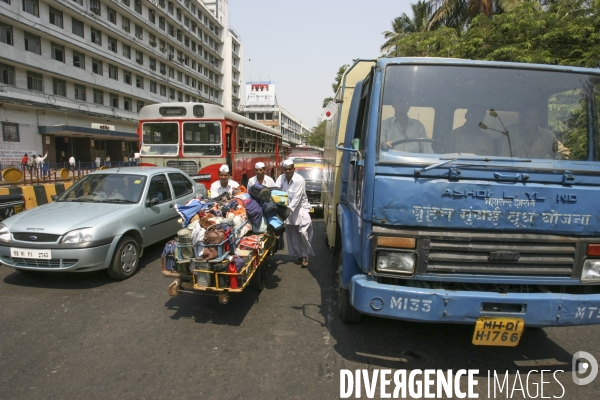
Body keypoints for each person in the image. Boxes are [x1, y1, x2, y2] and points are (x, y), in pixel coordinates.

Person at [275, 159, 314, 268]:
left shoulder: (299, 179)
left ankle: (306, 256)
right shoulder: (281, 178)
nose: (288, 171)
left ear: (293, 169)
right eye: (286, 169)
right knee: (293, 236)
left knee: (303, 233)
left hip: (300, 210)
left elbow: (297, 198)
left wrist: (288, 210)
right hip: (287, 211)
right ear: (283, 170)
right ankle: (300, 256)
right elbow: (275, 190)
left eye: (290, 169)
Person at [499, 106, 571, 159]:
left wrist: (557, 160)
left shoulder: (547, 135)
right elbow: (505, 157)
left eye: (530, 118)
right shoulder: (511, 132)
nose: (525, 120)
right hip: (515, 174)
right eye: (524, 117)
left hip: (539, 175)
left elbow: (564, 152)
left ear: (539, 121)